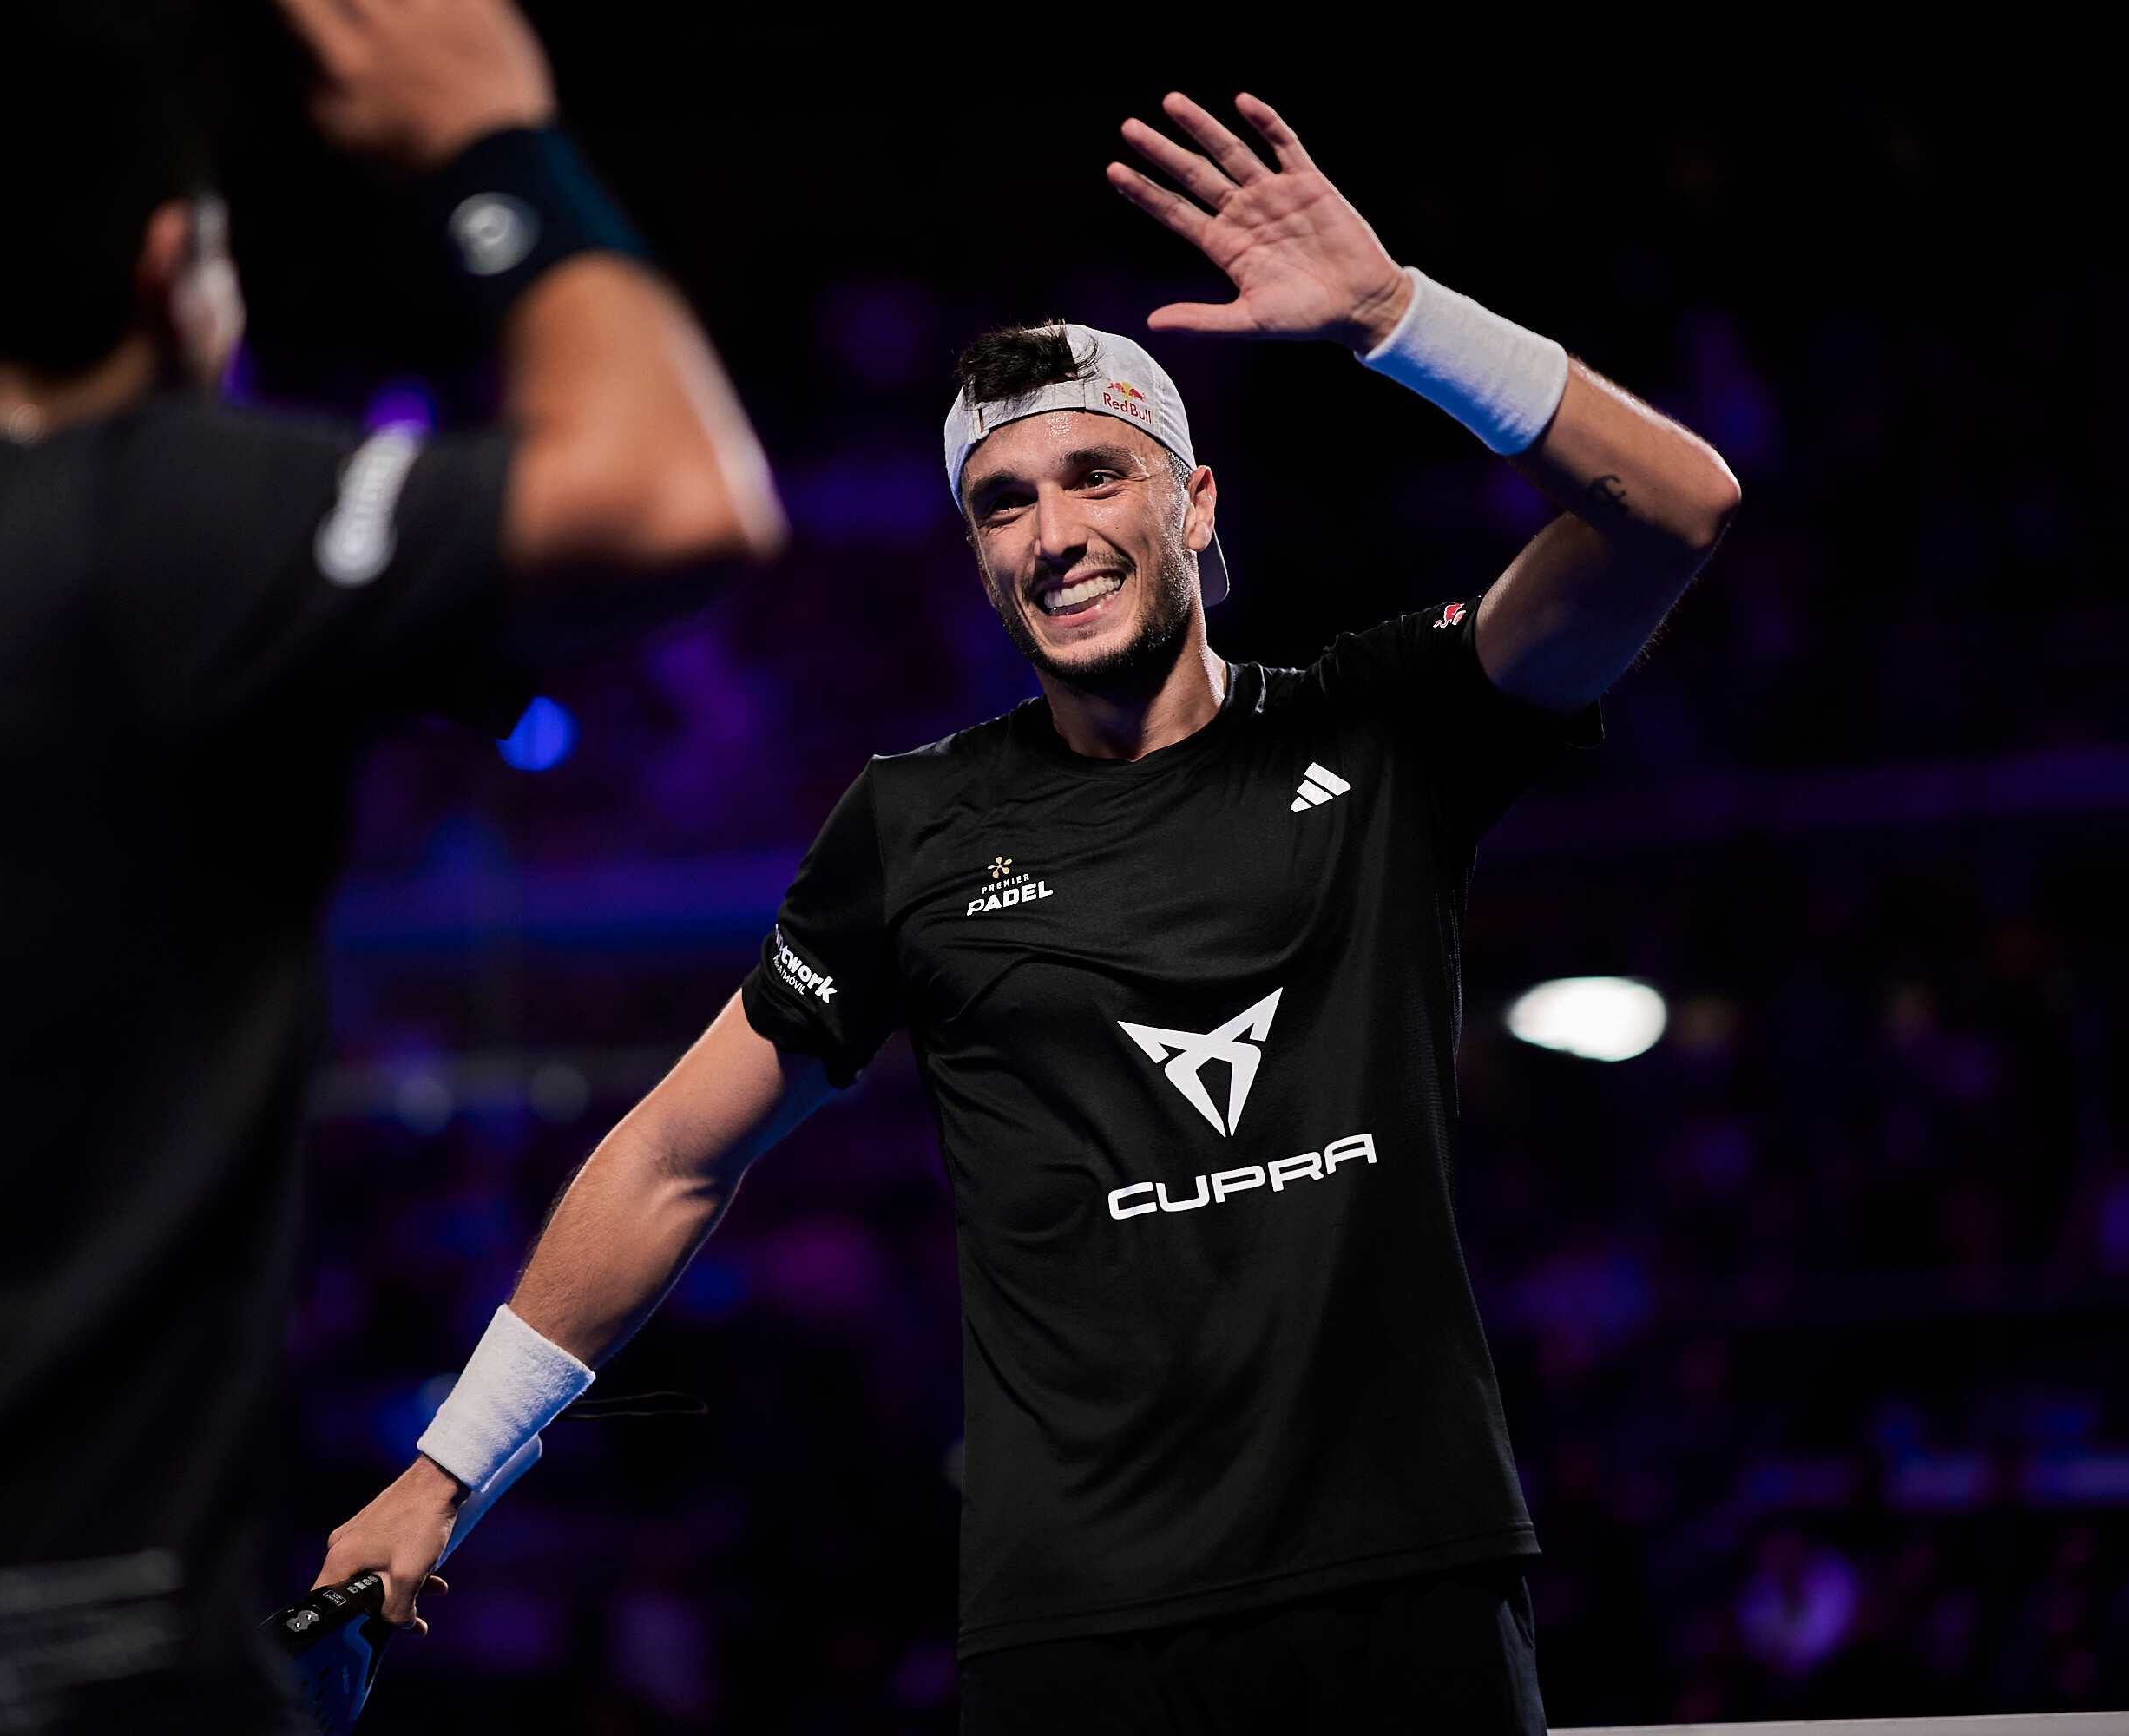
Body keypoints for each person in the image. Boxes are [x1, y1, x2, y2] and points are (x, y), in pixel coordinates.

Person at [318, 90, 1737, 1730]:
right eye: (1002, 503)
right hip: (1081, 1634)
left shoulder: (1383, 724)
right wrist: (443, 1472)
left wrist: (1395, 316)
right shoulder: (915, 826)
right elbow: (671, 1156)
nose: (1054, 534)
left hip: (1408, 1587)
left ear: (1195, 506)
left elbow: (1675, 511)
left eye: (1095, 476)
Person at [0, 0, 783, 1727]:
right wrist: (495, 148)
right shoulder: (145, 512)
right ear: (171, 269)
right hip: (68, 1672)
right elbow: (678, 497)